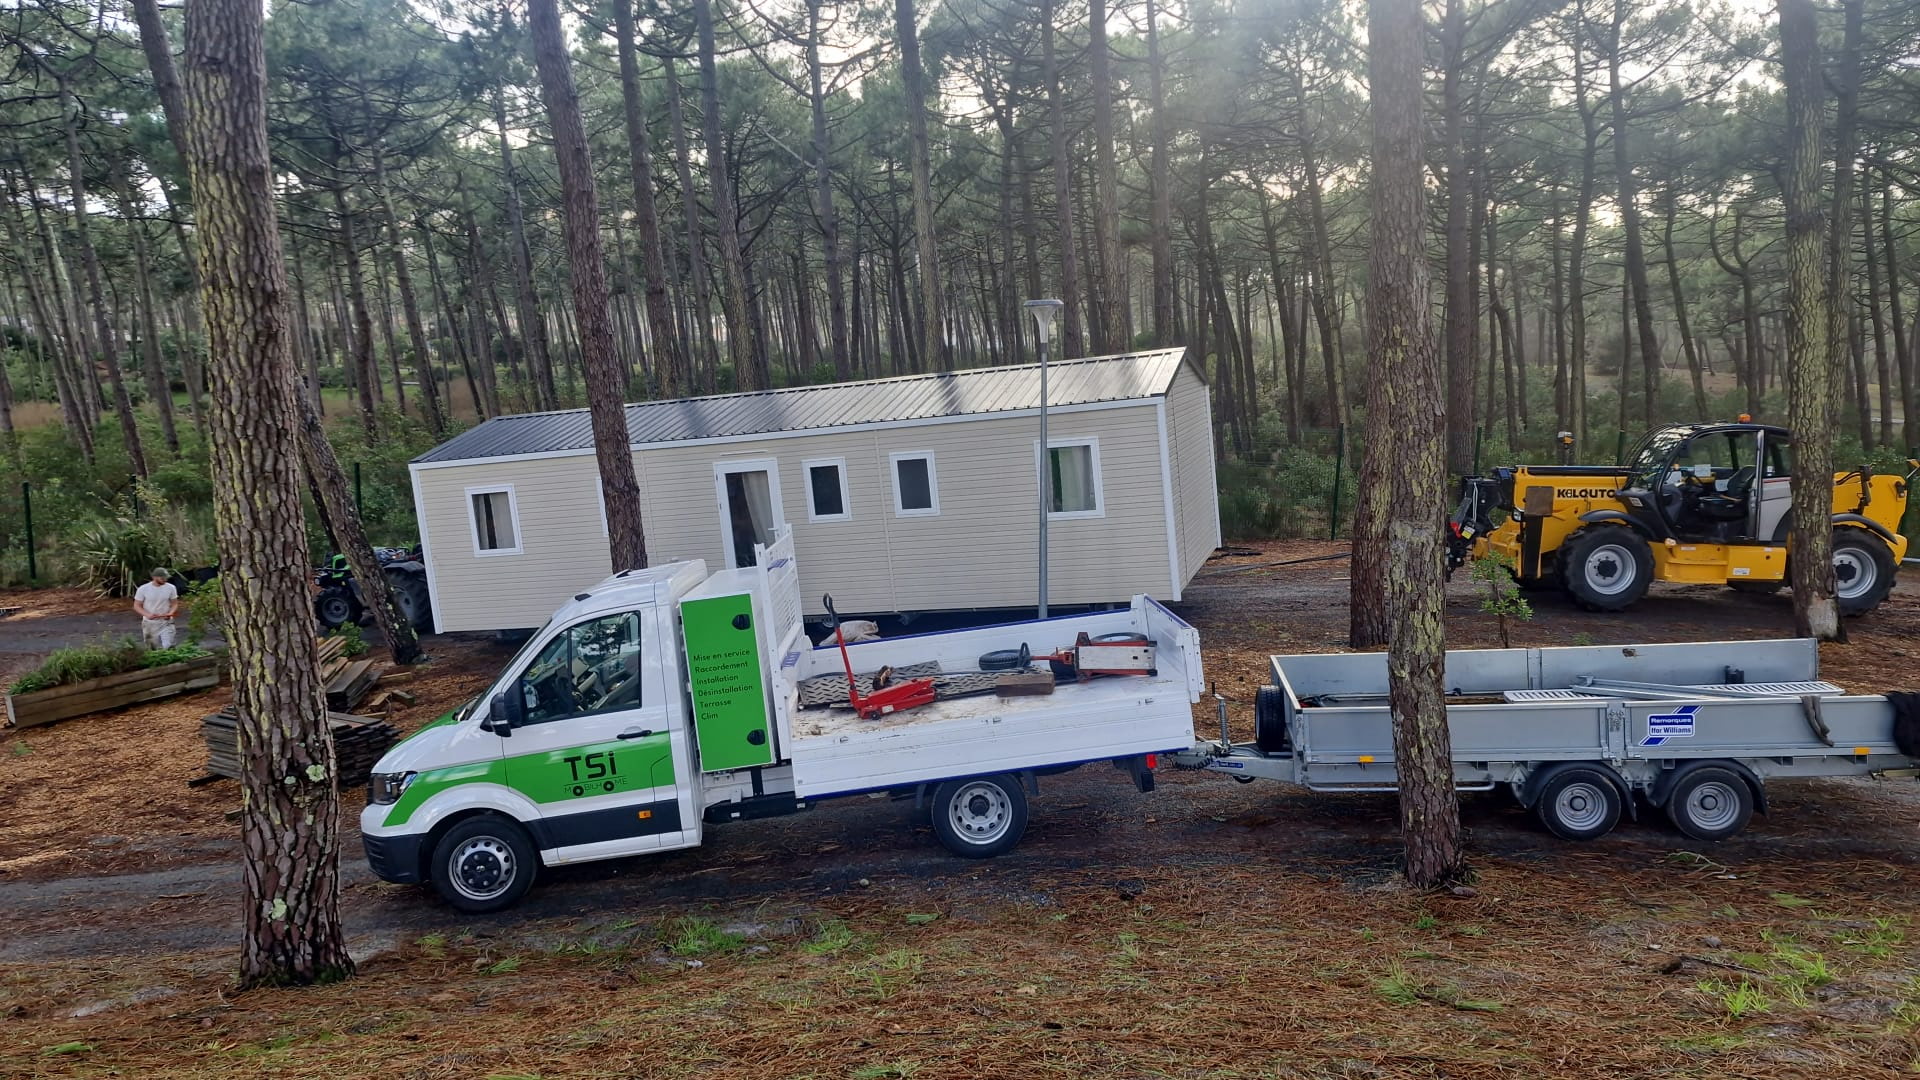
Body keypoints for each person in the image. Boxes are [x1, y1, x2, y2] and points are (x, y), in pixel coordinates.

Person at [133, 567, 180, 649]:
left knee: (169, 646)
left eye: (166, 578)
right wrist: (147, 614)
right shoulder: (143, 589)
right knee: (151, 647)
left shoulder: (171, 588)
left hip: (166, 621)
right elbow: (136, 605)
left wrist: (170, 613)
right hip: (150, 623)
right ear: (154, 577)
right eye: (162, 578)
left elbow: (174, 603)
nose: (164, 580)